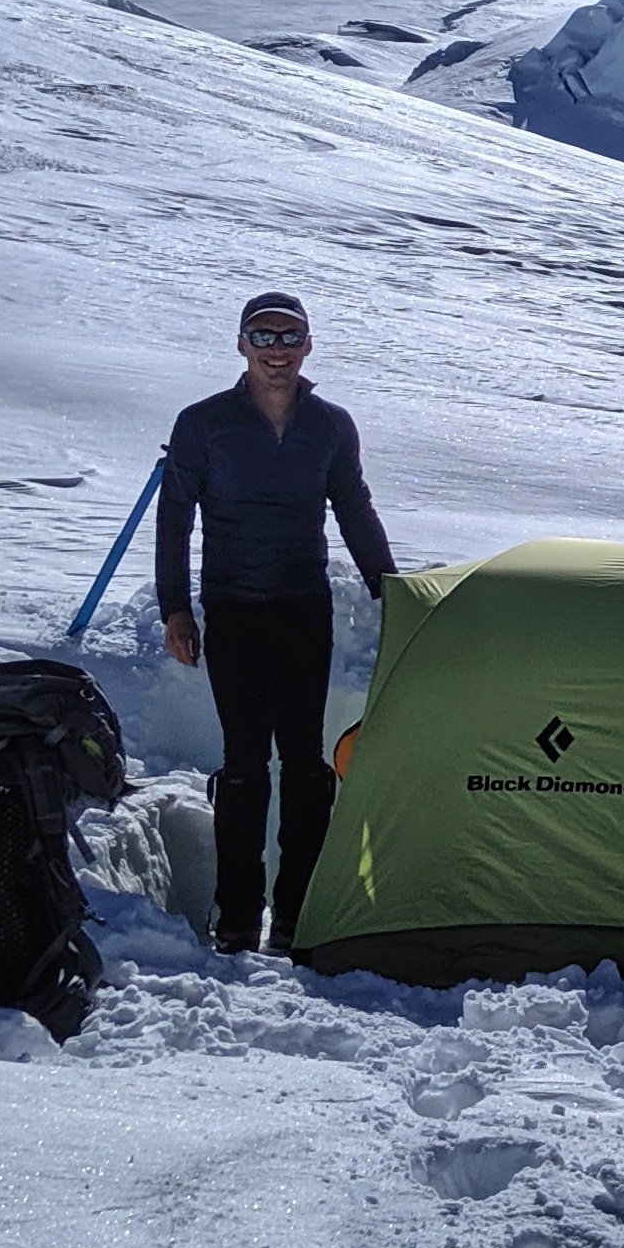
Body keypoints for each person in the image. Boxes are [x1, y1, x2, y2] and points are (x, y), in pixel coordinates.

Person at [157, 291, 397, 954]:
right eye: (262, 337)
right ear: (241, 346)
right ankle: (237, 915)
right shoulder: (204, 424)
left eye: (289, 337)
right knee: (242, 764)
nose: (277, 350)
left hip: (303, 607)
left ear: (308, 346)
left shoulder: (330, 426)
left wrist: (391, 590)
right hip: (232, 608)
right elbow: (175, 519)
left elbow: (354, 509)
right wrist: (175, 607)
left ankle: (296, 913)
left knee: (305, 764)